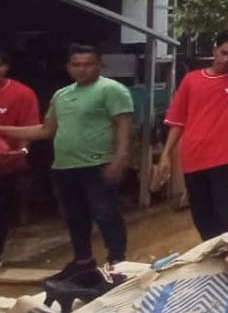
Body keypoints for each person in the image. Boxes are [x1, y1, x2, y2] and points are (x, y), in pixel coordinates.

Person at [0, 45, 133, 276]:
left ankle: (117, 262)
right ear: (68, 67)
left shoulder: (112, 90)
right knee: (74, 216)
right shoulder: (61, 95)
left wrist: (120, 157)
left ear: (100, 65)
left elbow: (123, 126)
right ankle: (83, 261)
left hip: (97, 164)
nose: (82, 70)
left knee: (106, 214)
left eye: (88, 64)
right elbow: (45, 130)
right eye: (76, 65)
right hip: (64, 166)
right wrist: (4, 129)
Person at [156, 31, 228, 240]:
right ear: (214, 50)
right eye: (223, 53)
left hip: (223, 157)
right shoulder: (191, 80)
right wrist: (165, 155)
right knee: (202, 216)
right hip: (193, 157)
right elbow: (178, 120)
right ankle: (214, 257)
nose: (226, 59)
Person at [0, 50, 40, 267]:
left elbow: (30, 128)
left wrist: (21, 152)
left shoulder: (23, 94)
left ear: (6, 67)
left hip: (7, 164)